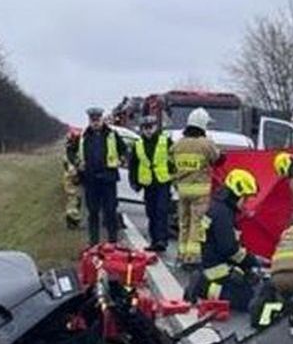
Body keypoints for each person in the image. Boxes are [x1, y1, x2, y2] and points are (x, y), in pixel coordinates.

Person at [185, 169, 261, 312]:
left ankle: (204, 284)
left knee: (246, 284)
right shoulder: (223, 213)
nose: (246, 203)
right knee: (247, 299)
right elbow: (229, 249)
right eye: (246, 198)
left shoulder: (217, 206)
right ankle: (203, 287)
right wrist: (252, 260)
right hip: (215, 269)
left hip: (210, 263)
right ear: (237, 194)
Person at [171, 107, 222, 265]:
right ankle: (192, 257)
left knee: (184, 223)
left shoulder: (177, 145)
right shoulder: (206, 144)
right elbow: (218, 159)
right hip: (200, 192)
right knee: (196, 224)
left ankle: (181, 254)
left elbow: (170, 166)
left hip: (182, 191)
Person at [76, 107, 128, 245]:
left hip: (108, 179)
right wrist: (77, 163)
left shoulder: (112, 134)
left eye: (97, 119)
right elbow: (72, 151)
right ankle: (94, 243)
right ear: (89, 120)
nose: (95, 122)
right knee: (93, 212)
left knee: (110, 211)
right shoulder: (83, 136)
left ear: (101, 119)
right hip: (90, 179)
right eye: (93, 120)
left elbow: (124, 150)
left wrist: (121, 159)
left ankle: (113, 242)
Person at [129, 115, 174, 251]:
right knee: (151, 212)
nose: (148, 130)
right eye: (145, 128)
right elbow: (134, 165)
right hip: (148, 184)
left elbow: (173, 159)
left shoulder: (165, 141)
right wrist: (134, 182)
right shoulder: (138, 144)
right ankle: (154, 241)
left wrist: (173, 174)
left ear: (156, 127)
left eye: (151, 127)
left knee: (161, 211)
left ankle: (162, 240)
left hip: (162, 182)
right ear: (142, 129)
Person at [62, 129, 83, 229]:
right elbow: (71, 166)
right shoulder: (70, 151)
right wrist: (77, 175)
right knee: (74, 200)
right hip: (71, 179)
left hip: (70, 178)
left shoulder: (70, 149)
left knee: (75, 200)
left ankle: (74, 220)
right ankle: (72, 221)